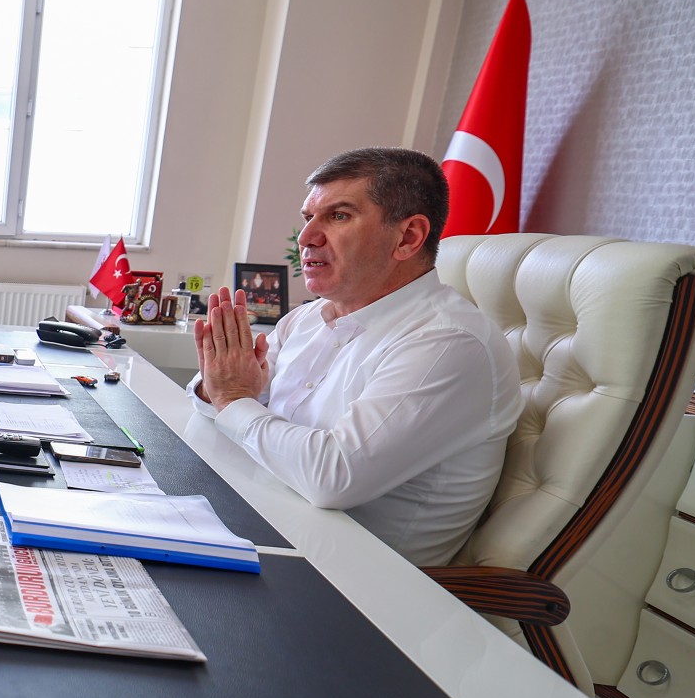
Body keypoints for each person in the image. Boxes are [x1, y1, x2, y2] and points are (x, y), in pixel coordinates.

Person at [189, 147, 521, 566]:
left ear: (408, 237)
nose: (306, 237)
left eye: (339, 216)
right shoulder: (307, 318)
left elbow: (332, 477)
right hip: (261, 528)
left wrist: (234, 398)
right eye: (308, 217)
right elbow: (219, 404)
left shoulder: (448, 343)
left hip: (349, 580)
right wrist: (220, 387)